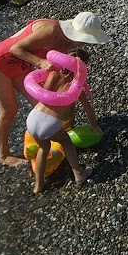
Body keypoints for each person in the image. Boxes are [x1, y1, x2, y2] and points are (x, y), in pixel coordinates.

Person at [0, 12, 109, 168]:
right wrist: (40, 61)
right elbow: (15, 49)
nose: (83, 44)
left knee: (41, 105)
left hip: (19, 66)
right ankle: (4, 155)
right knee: (10, 109)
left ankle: (47, 140)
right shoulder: (51, 30)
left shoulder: (68, 43)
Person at [25, 62, 89, 192]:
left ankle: (38, 185)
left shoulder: (53, 75)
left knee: (43, 147)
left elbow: (44, 94)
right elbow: (86, 109)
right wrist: (94, 126)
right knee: (66, 142)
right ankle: (79, 175)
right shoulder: (76, 88)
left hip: (33, 117)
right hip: (49, 122)